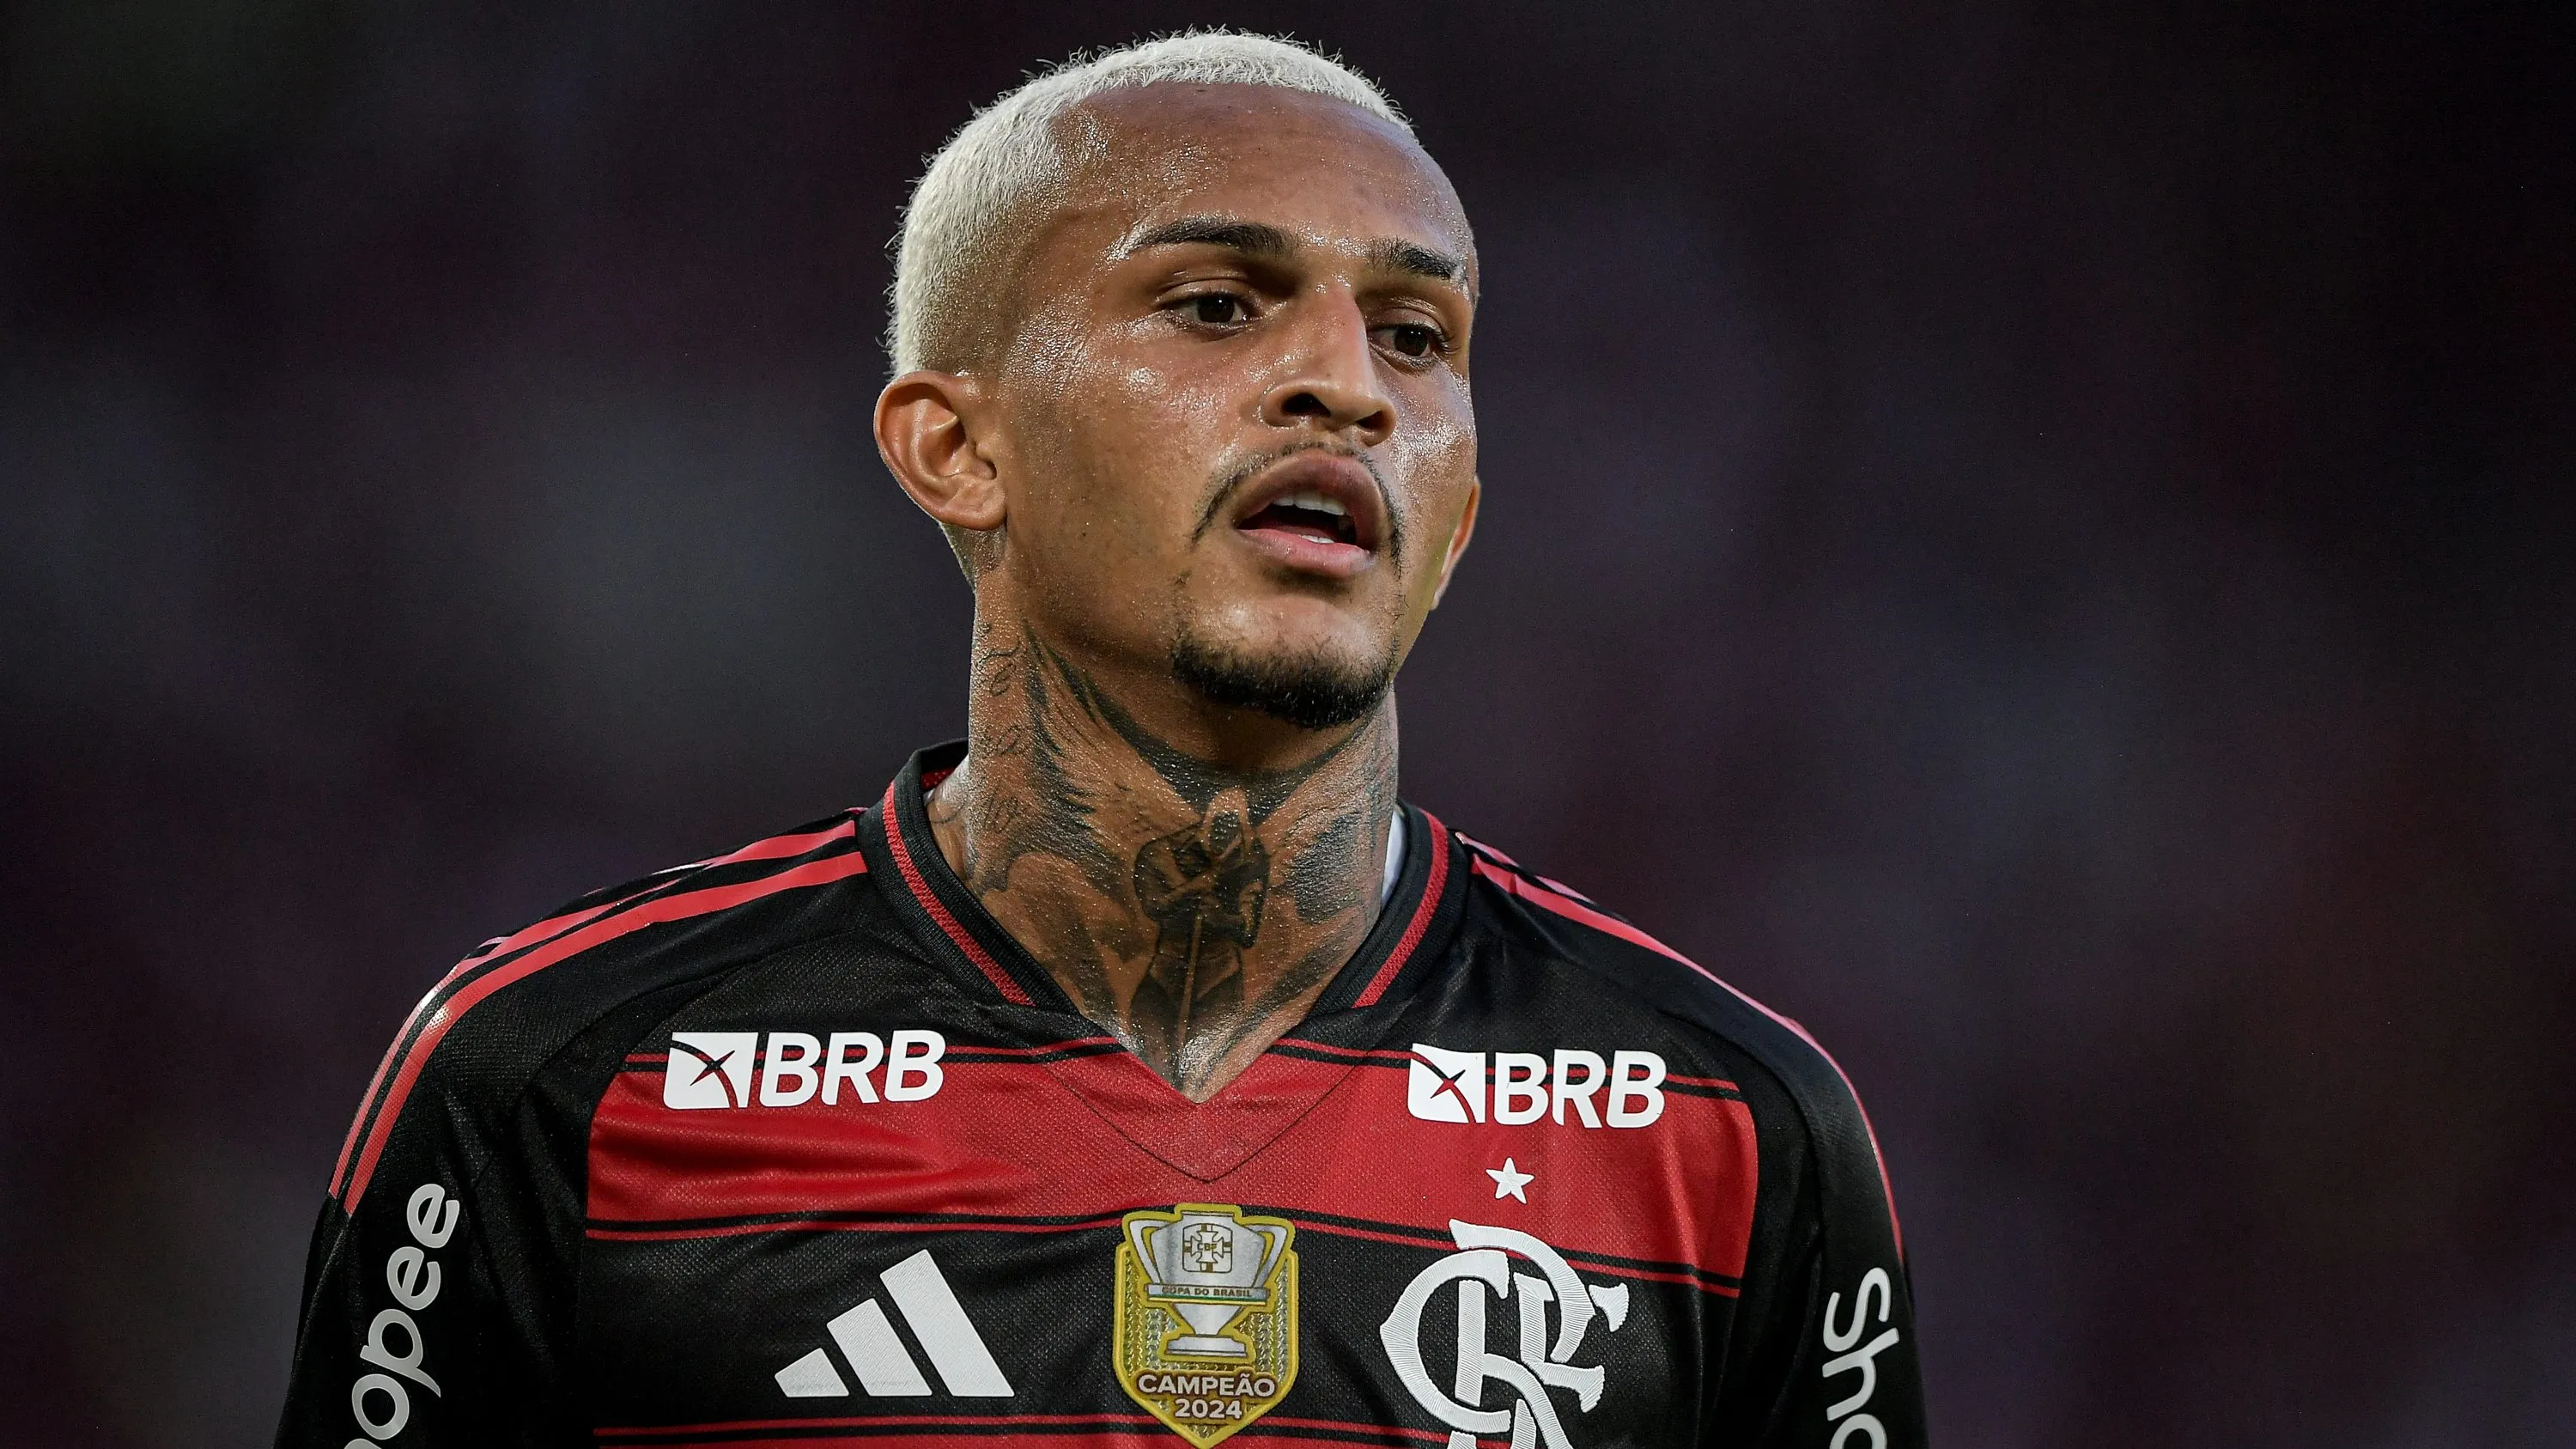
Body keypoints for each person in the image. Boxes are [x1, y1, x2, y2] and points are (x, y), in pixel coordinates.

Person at [276, 33, 1925, 1449]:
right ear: (956, 448)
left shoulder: (1731, 1132)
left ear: (1464, 511)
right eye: (1219, 304)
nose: (1348, 387)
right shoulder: (558, 1081)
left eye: (1416, 338)